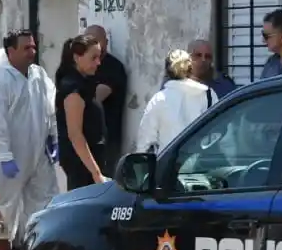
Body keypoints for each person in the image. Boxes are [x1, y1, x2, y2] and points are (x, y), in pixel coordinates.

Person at [0, 30, 58, 246]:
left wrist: (53, 138)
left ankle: (37, 245)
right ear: (10, 51)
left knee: (44, 201)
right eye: (26, 48)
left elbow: (50, 108)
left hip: (39, 155)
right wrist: (4, 156)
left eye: (33, 47)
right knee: (5, 206)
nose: (32, 52)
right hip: (10, 157)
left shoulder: (39, 75)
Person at [136, 49, 215, 154]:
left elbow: (145, 141)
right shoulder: (208, 94)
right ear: (191, 69)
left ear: (166, 72)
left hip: (169, 164)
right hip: (200, 164)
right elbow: (219, 133)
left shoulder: (159, 99)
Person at [55, 34, 108, 189]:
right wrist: (96, 173)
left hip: (90, 162)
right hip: (82, 167)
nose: (98, 62)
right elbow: (75, 134)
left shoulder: (85, 83)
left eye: (99, 57)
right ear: (77, 58)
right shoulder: (73, 89)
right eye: (93, 58)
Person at [85, 25, 127, 175]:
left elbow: (94, 98)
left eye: (97, 41)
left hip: (106, 142)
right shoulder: (82, 66)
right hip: (84, 141)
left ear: (106, 42)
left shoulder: (112, 67)